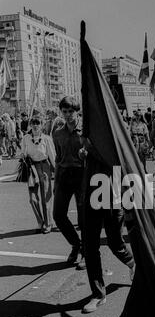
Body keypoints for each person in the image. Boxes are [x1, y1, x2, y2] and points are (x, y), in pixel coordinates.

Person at [80, 138, 136, 313]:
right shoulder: (89, 131)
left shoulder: (114, 127)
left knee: (115, 243)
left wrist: (91, 149)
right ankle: (98, 294)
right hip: (90, 193)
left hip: (112, 194)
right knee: (89, 246)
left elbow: (119, 158)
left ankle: (133, 263)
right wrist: (83, 153)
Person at [52, 96, 85, 267]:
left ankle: (86, 252)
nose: (67, 115)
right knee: (58, 215)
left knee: (83, 217)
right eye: (64, 112)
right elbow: (58, 158)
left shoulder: (87, 130)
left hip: (82, 175)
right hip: (64, 175)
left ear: (77, 111)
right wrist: (55, 183)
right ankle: (76, 244)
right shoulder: (57, 133)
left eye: (71, 111)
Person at [21, 114, 55, 233]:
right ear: (30, 125)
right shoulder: (25, 138)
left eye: (38, 123)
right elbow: (23, 152)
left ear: (42, 125)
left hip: (44, 166)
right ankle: (40, 221)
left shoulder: (46, 139)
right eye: (33, 123)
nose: (35, 126)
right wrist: (23, 157)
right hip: (32, 168)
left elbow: (52, 156)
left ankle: (48, 223)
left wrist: (56, 170)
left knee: (46, 197)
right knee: (33, 198)